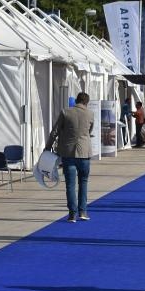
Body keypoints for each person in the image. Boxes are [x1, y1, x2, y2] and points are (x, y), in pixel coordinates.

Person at [47, 92, 94, 222]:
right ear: (86, 102)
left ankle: (72, 214)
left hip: (68, 153)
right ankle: (83, 212)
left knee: (70, 185)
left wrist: (48, 147)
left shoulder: (65, 112)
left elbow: (55, 131)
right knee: (83, 182)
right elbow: (89, 131)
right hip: (84, 153)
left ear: (76, 101)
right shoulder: (90, 114)